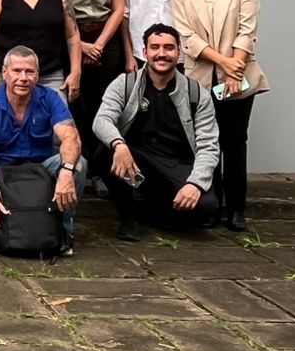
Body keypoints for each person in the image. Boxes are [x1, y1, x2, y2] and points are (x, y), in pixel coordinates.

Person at [171, 0, 268, 232]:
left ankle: (237, 209)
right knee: (204, 143)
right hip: (201, 78)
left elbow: (247, 29)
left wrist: (234, 69)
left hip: (238, 79)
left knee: (234, 142)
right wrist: (224, 63)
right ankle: (211, 205)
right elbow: (188, 39)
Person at [92, 24, 221, 241]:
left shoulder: (197, 93)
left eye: (169, 48)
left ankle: (155, 208)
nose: (162, 54)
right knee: (104, 153)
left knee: (206, 208)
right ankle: (129, 219)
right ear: (145, 52)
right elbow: (101, 120)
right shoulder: (125, 84)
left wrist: (195, 184)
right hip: (136, 158)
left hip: (177, 163)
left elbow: (209, 145)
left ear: (179, 53)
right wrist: (119, 144)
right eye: (155, 47)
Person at [0, 46, 86, 248]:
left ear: (38, 76)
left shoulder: (50, 98)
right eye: (17, 71)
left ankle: (62, 229)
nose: (23, 78)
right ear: (4, 73)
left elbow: (71, 137)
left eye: (29, 72)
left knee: (78, 164)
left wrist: (66, 172)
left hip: (40, 170)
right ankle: (7, 227)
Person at [52, 0, 131, 167]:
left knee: (104, 104)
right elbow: (54, 7)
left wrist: (99, 44)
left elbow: (119, 9)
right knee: (76, 104)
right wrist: (80, 44)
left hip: (107, 42)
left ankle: (101, 170)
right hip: (71, 40)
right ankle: (78, 164)